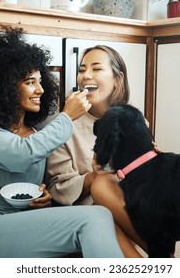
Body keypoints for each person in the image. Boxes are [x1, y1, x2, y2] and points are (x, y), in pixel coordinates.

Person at [0, 26, 124, 258]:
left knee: (99, 220)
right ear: (3, 85)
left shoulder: (38, 130)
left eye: (41, 81)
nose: (41, 89)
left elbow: (43, 181)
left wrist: (44, 197)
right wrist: (66, 117)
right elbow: (20, 155)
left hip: (26, 223)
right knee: (96, 219)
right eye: (30, 82)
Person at [46, 45, 148, 257]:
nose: (86, 76)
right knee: (101, 189)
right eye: (82, 70)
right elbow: (57, 188)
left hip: (124, 209)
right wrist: (94, 177)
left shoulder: (134, 121)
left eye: (96, 69)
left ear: (117, 79)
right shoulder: (64, 125)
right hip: (81, 212)